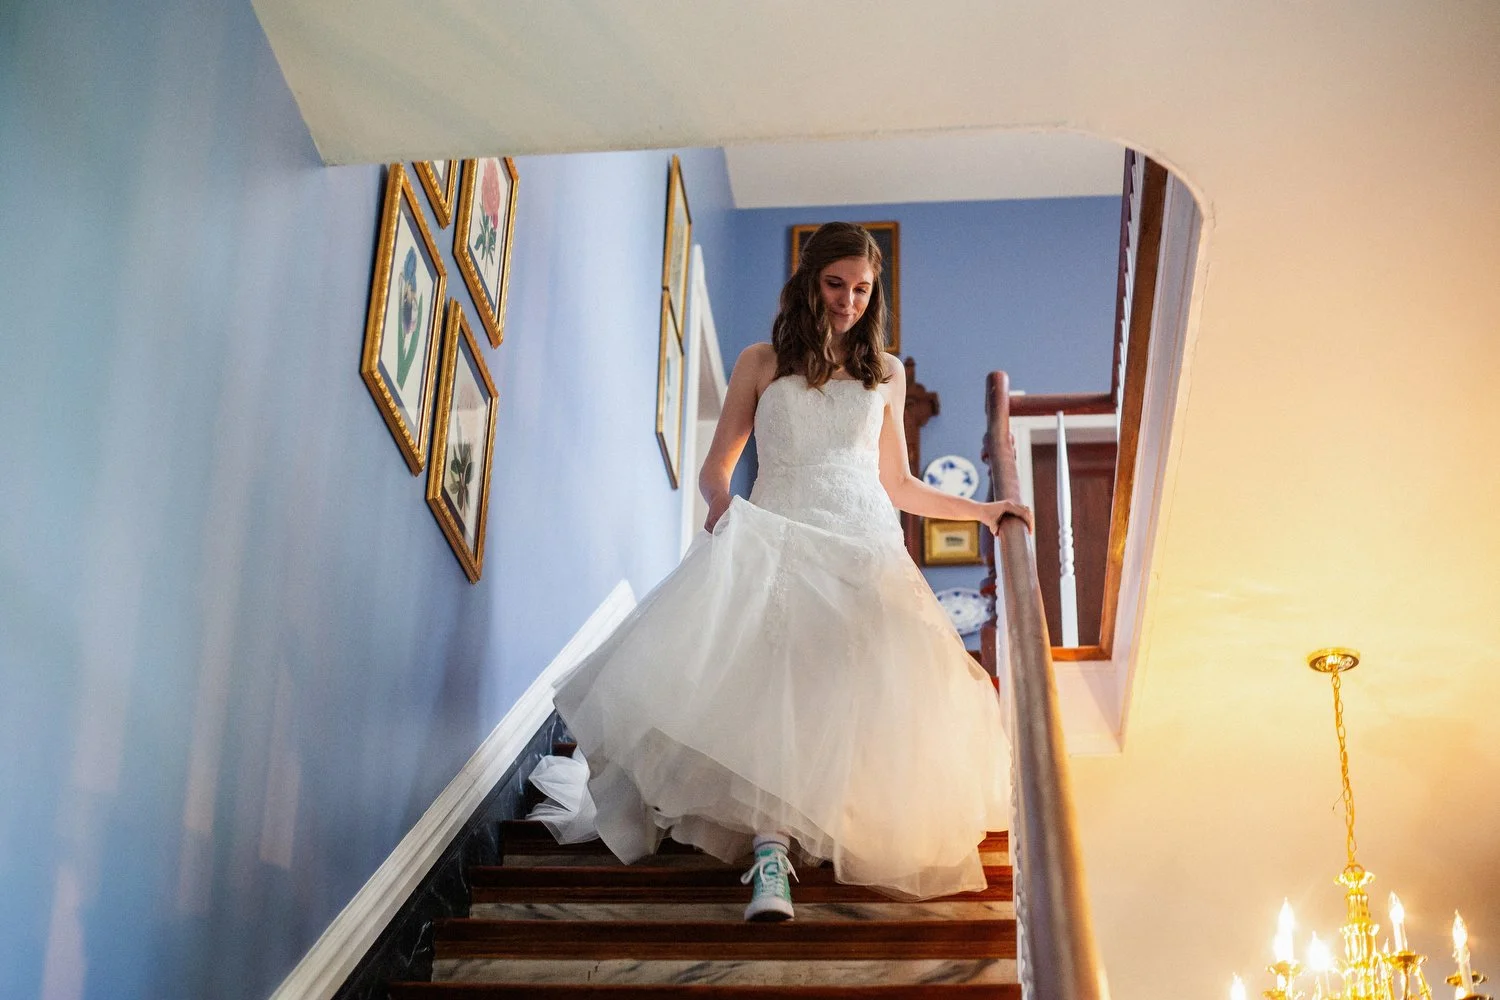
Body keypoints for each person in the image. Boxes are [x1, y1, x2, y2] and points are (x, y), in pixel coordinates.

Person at [553, 222, 1030, 921]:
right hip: (778, 534)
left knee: (840, 692)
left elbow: (897, 485)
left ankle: (814, 828)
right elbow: (719, 468)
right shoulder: (759, 362)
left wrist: (984, 511)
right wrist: (723, 508)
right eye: (836, 284)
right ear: (809, 282)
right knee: (771, 693)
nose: (848, 301)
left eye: (862, 289)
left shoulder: (886, 374)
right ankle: (769, 854)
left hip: (863, 545)